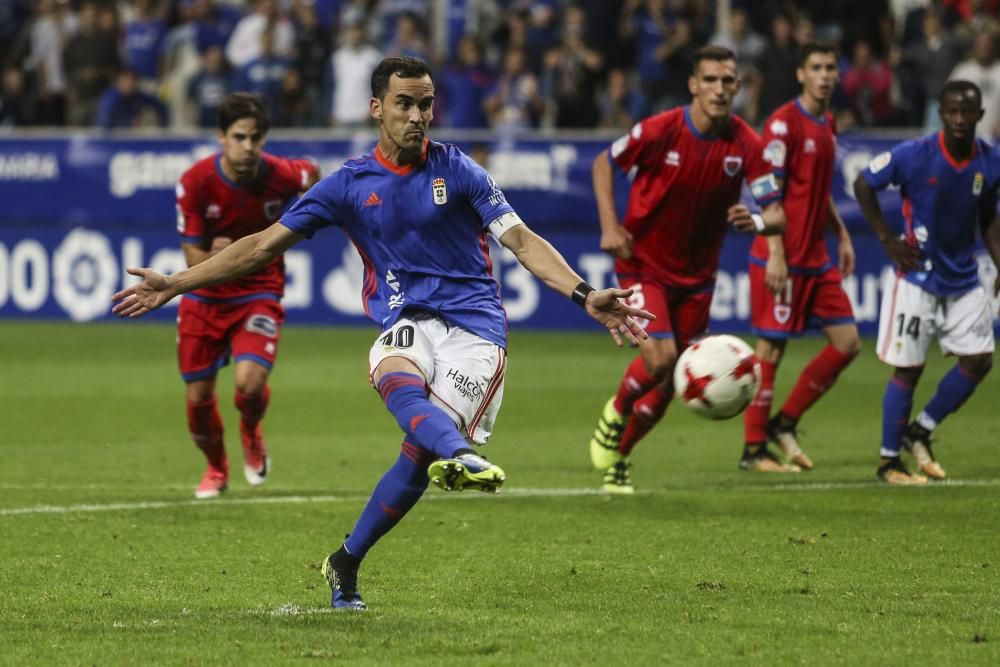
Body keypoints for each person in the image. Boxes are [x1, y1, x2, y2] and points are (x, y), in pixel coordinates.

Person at [112, 57, 652, 610]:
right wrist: (175, 283)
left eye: (425, 104)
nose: (418, 116)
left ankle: (345, 561)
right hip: (407, 321)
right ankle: (458, 454)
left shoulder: (460, 170)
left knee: (416, 459)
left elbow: (522, 240)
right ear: (377, 109)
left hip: (476, 330)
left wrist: (586, 295)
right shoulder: (348, 185)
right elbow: (259, 246)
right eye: (405, 104)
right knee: (397, 370)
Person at [587, 45, 787, 494]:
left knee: (673, 380)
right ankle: (616, 412)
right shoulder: (662, 129)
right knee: (659, 358)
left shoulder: (746, 143)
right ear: (694, 85)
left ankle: (621, 456)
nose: (719, 89)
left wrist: (755, 220)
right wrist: (609, 224)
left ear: (737, 87)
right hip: (643, 264)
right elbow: (605, 162)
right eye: (710, 80)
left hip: (697, 278)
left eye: (728, 80)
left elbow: (778, 214)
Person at [172, 92, 320, 499]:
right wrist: (213, 257)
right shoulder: (196, 183)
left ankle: (251, 429)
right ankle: (216, 468)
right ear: (221, 137)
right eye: (239, 137)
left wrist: (304, 218)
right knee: (198, 397)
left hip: (258, 290)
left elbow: (315, 176)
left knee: (249, 383)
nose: (248, 147)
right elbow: (193, 256)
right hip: (204, 295)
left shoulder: (282, 174)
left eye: (256, 138)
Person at [854, 80, 1000, 485]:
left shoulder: (990, 160)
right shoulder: (914, 155)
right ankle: (888, 462)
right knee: (908, 370)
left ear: (979, 116)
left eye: (966, 112)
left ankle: (920, 429)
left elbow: (987, 213)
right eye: (951, 110)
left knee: (979, 360)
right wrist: (886, 239)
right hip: (916, 276)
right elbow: (864, 183)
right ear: (941, 113)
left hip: (964, 277)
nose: (958, 118)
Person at [742, 42, 862, 473]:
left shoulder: (826, 121)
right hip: (783, 257)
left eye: (831, 67)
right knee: (770, 351)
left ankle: (785, 422)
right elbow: (766, 192)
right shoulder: (782, 126)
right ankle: (753, 449)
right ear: (801, 74)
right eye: (817, 68)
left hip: (816, 256)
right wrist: (775, 252)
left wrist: (842, 234)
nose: (825, 75)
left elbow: (816, 190)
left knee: (847, 343)